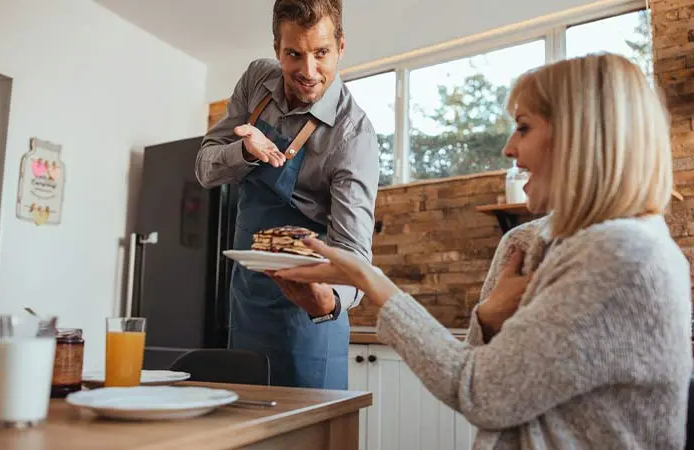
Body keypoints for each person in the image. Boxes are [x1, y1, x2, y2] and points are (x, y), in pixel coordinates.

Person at [274, 53, 693, 449]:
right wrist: (490, 317)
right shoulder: (549, 245)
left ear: (582, 138)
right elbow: (492, 383)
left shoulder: (622, 256)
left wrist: (370, 279)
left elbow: (479, 390)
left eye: (524, 127)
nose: (509, 148)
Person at [195, 0, 379, 390]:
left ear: (341, 46)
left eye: (322, 53)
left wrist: (326, 300)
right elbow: (206, 170)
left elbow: (355, 255)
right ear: (277, 48)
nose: (308, 72)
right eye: (294, 54)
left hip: (309, 317)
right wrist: (243, 151)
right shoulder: (256, 81)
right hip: (247, 298)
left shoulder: (353, 135)